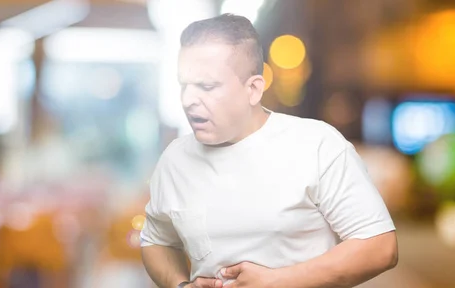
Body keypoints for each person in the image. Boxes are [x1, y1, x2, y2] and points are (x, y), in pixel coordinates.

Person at [140, 14, 398, 288]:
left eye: (206, 86)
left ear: (253, 89)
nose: (189, 100)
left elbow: (380, 246)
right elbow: (157, 240)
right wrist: (180, 285)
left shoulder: (317, 144)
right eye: (184, 85)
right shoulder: (175, 159)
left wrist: (278, 282)